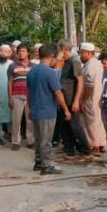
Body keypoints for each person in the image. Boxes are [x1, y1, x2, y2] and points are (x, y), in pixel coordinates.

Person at [27, 44, 71, 175]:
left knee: (39, 138)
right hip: (47, 110)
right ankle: (46, 165)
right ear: (51, 57)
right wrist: (66, 110)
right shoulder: (50, 73)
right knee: (46, 140)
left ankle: (38, 161)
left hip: (35, 109)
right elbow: (58, 93)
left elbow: (28, 94)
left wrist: (29, 108)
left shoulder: (32, 72)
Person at [56, 41, 90, 157]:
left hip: (71, 98)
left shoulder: (74, 62)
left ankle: (85, 150)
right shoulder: (65, 62)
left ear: (64, 49)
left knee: (76, 125)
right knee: (64, 125)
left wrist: (76, 100)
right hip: (63, 98)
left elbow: (80, 81)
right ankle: (69, 148)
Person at [80, 43, 107, 157]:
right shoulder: (96, 64)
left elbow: (89, 86)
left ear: (89, 53)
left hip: (91, 98)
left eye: (82, 53)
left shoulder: (90, 66)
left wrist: (84, 100)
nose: (81, 55)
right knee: (97, 121)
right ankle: (101, 144)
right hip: (97, 97)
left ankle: (94, 145)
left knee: (91, 123)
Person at [7, 44, 34, 150]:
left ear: (28, 53)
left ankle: (31, 140)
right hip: (16, 95)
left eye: (23, 51)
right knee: (16, 120)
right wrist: (10, 97)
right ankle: (15, 142)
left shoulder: (33, 66)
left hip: (30, 96)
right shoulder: (12, 66)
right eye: (19, 51)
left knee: (30, 119)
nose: (21, 53)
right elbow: (9, 82)